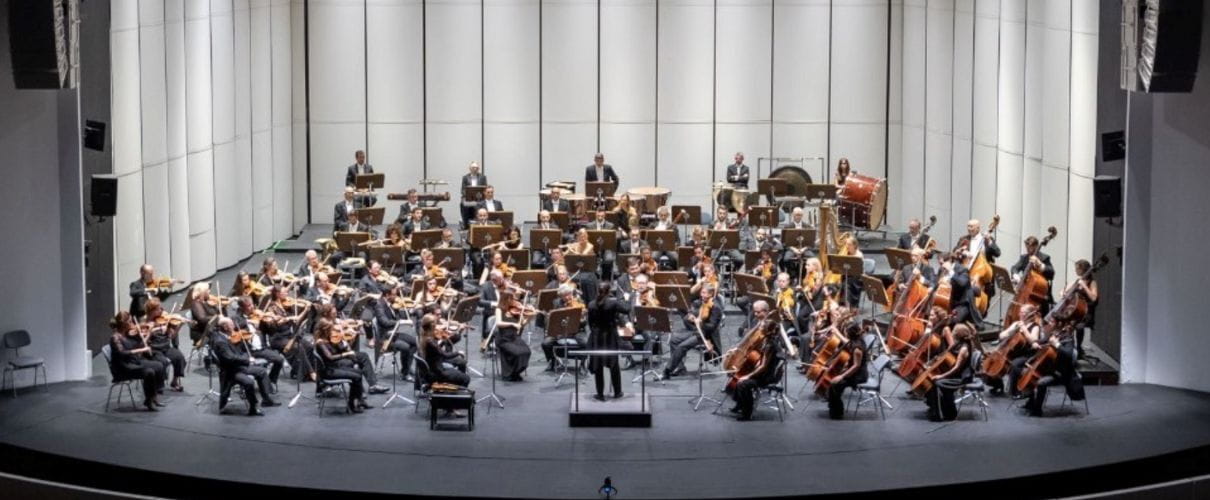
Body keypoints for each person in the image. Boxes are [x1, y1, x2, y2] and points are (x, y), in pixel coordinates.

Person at [728, 301, 783, 421]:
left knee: (743, 383)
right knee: (738, 375)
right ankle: (740, 404)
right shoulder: (765, 341)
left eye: (762, 327)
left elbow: (763, 366)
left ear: (767, 330)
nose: (759, 328)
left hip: (766, 376)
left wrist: (748, 376)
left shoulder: (770, 345)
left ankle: (747, 413)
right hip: (762, 372)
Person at [213, 317, 279, 416]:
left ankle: (266, 400)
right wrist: (247, 360)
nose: (234, 326)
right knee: (249, 382)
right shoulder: (220, 341)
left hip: (237, 367)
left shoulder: (226, 336)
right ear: (225, 327)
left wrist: (246, 356)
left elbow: (237, 352)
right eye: (231, 324)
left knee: (262, 371)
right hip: (230, 371)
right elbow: (230, 358)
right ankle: (253, 408)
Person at [108, 311, 166, 411]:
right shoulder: (115, 337)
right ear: (124, 324)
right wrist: (141, 350)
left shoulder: (127, 334)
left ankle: (154, 396)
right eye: (130, 322)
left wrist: (147, 335)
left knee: (159, 365)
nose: (133, 324)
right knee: (149, 372)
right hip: (123, 367)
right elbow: (122, 353)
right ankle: (149, 400)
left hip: (133, 362)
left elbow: (138, 345)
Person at [315, 320, 373, 413]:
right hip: (328, 371)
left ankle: (359, 401)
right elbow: (330, 357)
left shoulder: (327, 339)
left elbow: (338, 348)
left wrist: (345, 341)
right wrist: (345, 354)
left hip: (333, 368)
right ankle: (351, 405)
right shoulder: (320, 342)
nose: (332, 331)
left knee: (358, 372)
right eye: (330, 329)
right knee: (356, 376)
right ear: (324, 330)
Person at [664, 284, 722, 379]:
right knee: (674, 340)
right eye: (701, 292)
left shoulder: (716, 307)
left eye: (704, 293)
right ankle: (680, 368)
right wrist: (692, 316)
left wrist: (700, 322)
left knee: (682, 346)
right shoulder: (704, 302)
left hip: (706, 336)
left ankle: (667, 370)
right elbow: (695, 310)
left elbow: (712, 327)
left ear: (711, 294)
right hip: (696, 331)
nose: (701, 295)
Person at [924, 323, 977, 421]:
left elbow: (956, 369)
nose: (951, 333)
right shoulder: (958, 344)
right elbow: (947, 354)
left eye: (953, 331)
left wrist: (940, 376)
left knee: (936, 383)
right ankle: (949, 412)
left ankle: (937, 414)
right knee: (936, 382)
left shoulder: (964, 349)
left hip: (960, 378)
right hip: (956, 374)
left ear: (957, 334)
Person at [231, 296, 285, 389]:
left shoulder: (258, 316)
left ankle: (271, 380)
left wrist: (271, 322)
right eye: (248, 306)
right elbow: (235, 327)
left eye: (252, 304)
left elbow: (272, 332)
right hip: (246, 350)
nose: (252, 307)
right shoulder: (236, 318)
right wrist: (248, 321)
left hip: (261, 349)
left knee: (279, 360)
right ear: (242, 308)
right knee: (246, 366)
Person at [587, 282, 630, 400]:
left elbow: (590, 323)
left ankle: (600, 394)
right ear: (609, 291)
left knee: (598, 366)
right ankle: (617, 392)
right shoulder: (613, 303)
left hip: (596, 337)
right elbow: (627, 310)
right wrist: (626, 299)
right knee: (614, 364)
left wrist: (595, 332)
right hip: (610, 336)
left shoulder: (591, 304)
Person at [141, 298, 186, 392]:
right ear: (152, 311)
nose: (161, 310)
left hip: (166, 347)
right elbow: (143, 341)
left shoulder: (164, 319)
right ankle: (158, 383)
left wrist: (179, 326)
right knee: (162, 362)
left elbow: (172, 336)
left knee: (180, 357)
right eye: (158, 309)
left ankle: (174, 381)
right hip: (154, 350)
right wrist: (153, 330)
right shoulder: (145, 322)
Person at [372, 286, 417, 380]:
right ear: (387, 295)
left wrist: (410, 311)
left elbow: (398, 316)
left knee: (415, 342)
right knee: (406, 346)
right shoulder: (379, 305)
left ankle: (406, 367)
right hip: (385, 338)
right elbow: (385, 322)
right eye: (394, 295)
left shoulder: (391, 303)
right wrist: (400, 322)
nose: (396, 297)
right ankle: (405, 373)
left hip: (393, 334)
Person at [825, 323, 868, 420]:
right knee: (833, 380)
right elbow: (847, 342)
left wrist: (842, 376)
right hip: (854, 371)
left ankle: (838, 412)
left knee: (835, 384)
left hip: (859, 375)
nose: (845, 334)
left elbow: (856, 366)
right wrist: (836, 332)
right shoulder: (855, 341)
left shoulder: (857, 349)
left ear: (850, 334)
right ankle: (833, 404)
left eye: (846, 333)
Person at [492, 290, 534, 382]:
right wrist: (512, 324)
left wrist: (530, 317)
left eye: (513, 299)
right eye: (511, 299)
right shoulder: (499, 309)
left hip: (514, 337)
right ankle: (509, 373)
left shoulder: (515, 311)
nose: (513, 302)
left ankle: (516, 372)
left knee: (527, 351)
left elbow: (522, 324)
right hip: (503, 338)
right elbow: (499, 323)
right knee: (517, 353)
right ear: (505, 299)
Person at [1010, 235, 1057, 315]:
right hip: (1025, 292)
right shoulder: (1024, 257)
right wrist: (1016, 276)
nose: (1027, 250)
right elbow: (1014, 268)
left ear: (1035, 246)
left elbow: (1051, 273)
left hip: (1039, 296)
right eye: (1026, 247)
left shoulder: (1044, 258)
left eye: (1029, 247)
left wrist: (1040, 264)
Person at [1064, 259, 1100, 359]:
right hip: (1075, 310)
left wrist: (1084, 286)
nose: (1075, 271)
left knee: (1079, 327)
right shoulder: (1078, 280)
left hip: (1086, 312)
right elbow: (1066, 292)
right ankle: (1069, 347)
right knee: (1066, 323)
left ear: (1082, 269)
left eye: (1077, 269)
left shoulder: (1092, 282)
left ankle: (1079, 348)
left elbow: (1094, 298)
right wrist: (1064, 291)